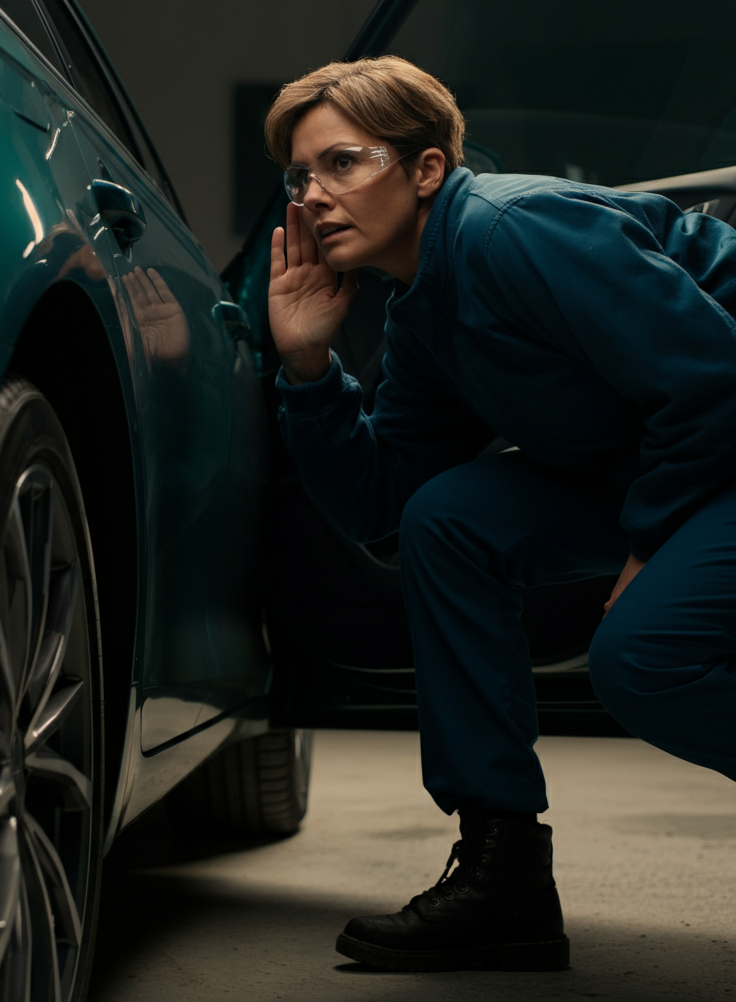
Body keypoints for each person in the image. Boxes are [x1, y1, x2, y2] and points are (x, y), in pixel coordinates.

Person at [265, 56, 736, 973]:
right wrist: (309, 369)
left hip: (722, 441)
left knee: (644, 658)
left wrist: (651, 536)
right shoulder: (427, 309)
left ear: (428, 168)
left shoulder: (513, 229)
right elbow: (385, 504)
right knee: (449, 515)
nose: (315, 195)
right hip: (671, 465)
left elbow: (714, 379)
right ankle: (503, 871)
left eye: (344, 163)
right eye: (299, 176)